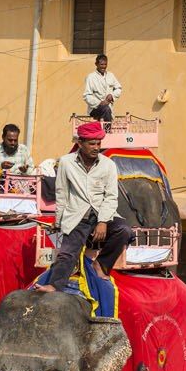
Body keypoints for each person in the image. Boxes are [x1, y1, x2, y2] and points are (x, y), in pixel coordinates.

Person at [36, 120, 133, 292]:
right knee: (67, 253)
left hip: (101, 212)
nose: (96, 147)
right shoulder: (66, 163)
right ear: (80, 143)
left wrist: (103, 221)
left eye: (99, 143)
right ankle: (54, 285)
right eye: (92, 143)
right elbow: (62, 193)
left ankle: (102, 265)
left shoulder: (108, 164)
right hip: (77, 215)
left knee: (124, 231)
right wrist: (59, 221)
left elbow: (111, 197)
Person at [83, 54, 122, 123]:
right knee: (106, 109)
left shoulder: (111, 75)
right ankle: (107, 131)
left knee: (107, 109)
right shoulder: (91, 77)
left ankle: (107, 129)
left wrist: (112, 95)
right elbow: (87, 96)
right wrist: (99, 103)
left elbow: (118, 88)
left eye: (105, 64)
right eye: (101, 64)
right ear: (96, 64)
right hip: (95, 109)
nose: (103, 67)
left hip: (108, 110)